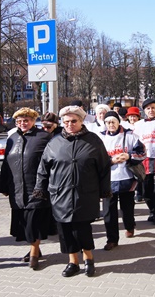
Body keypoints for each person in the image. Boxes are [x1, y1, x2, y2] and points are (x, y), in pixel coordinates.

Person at [33, 105, 111, 277]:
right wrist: (40, 189)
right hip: (60, 194)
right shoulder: (54, 142)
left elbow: (104, 168)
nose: (69, 124)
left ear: (82, 121)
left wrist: (104, 190)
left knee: (82, 228)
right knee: (65, 229)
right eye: (66, 121)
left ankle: (89, 260)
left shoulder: (93, 140)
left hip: (85, 193)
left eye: (73, 121)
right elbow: (43, 168)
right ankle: (72, 262)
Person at [0, 108, 52, 270]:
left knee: (32, 222)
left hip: (36, 187)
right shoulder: (12, 138)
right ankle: (34, 248)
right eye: (19, 121)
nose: (23, 123)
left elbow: (51, 162)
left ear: (33, 120)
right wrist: (3, 184)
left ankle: (34, 253)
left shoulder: (43, 137)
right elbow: (6, 163)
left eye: (26, 120)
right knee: (23, 223)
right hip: (16, 188)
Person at [100, 111, 146, 251]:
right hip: (108, 180)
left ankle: (129, 226)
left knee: (127, 207)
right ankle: (112, 239)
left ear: (119, 122)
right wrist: (111, 160)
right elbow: (95, 159)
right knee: (108, 211)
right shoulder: (100, 138)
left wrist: (128, 156)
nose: (111, 125)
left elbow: (143, 153)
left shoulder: (130, 136)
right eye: (108, 122)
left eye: (113, 121)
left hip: (127, 177)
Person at [125, 106, 144, 202]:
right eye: (131, 116)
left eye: (135, 116)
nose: (133, 118)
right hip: (128, 152)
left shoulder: (141, 125)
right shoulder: (124, 126)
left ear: (138, 117)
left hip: (139, 151)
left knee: (138, 173)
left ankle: (140, 194)